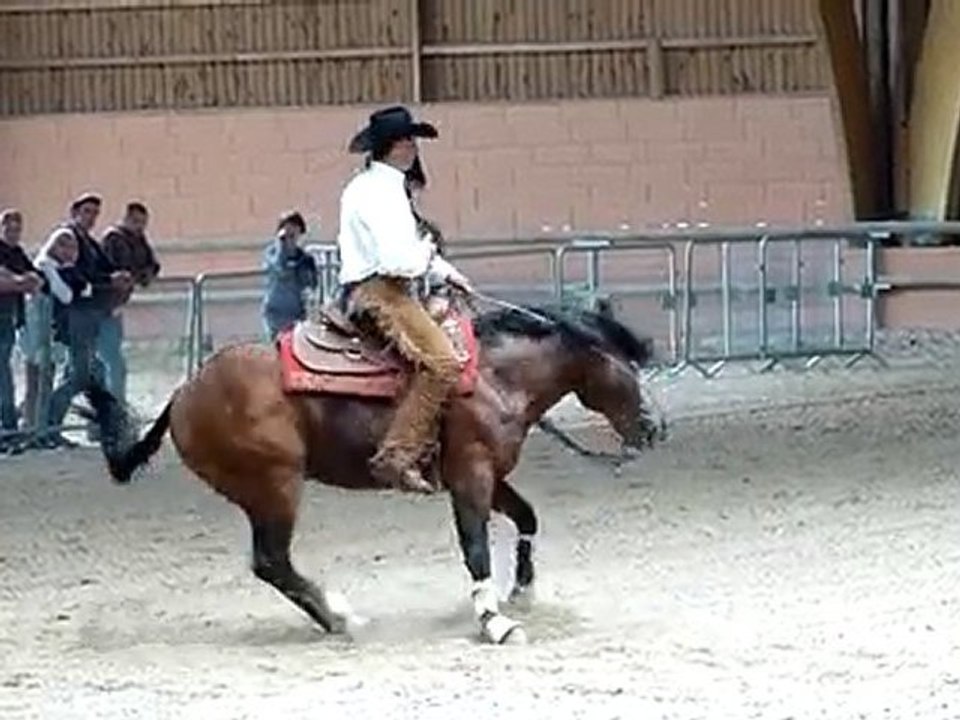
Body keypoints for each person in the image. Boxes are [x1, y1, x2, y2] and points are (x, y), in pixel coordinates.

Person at [337, 105, 473, 494]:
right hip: (383, 291)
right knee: (444, 363)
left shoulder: (371, 185)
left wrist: (447, 273)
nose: (414, 147)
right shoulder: (383, 191)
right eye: (407, 140)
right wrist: (430, 256)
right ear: (392, 146)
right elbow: (398, 258)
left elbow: (409, 250)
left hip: (381, 286)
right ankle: (397, 455)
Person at [45, 193, 132, 447]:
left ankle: (96, 426)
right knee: (80, 374)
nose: (91, 217)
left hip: (89, 313)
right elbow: (76, 274)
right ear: (75, 212)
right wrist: (109, 281)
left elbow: (103, 268)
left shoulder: (90, 243)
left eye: (95, 212)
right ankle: (48, 425)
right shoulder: (67, 237)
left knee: (94, 371)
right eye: (87, 211)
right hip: (76, 314)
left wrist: (118, 276)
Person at [98, 201, 161, 403]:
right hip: (101, 306)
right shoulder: (113, 238)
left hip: (115, 306)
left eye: (143, 222)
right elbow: (113, 269)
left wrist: (144, 275)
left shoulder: (138, 239)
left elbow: (151, 264)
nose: (139, 226)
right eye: (135, 221)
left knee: (110, 362)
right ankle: (112, 412)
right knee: (109, 364)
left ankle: (113, 412)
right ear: (126, 219)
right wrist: (136, 276)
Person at [0, 209, 43, 454]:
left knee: (4, 375)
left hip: (9, 319)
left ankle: (8, 428)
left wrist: (19, 280)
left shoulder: (16, 253)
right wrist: (18, 282)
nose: (13, 232)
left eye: (17, 228)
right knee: (3, 377)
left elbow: (35, 277)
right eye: (9, 228)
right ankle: (7, 429)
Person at [260, 211, 317, 342]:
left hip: (295, 313)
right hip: (275, 313)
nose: (291, 237)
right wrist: (282, 246)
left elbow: (311, 283)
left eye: (294, 231)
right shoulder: (271, 253)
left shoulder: (304, 259)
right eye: (287, 230)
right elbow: (279, 270)